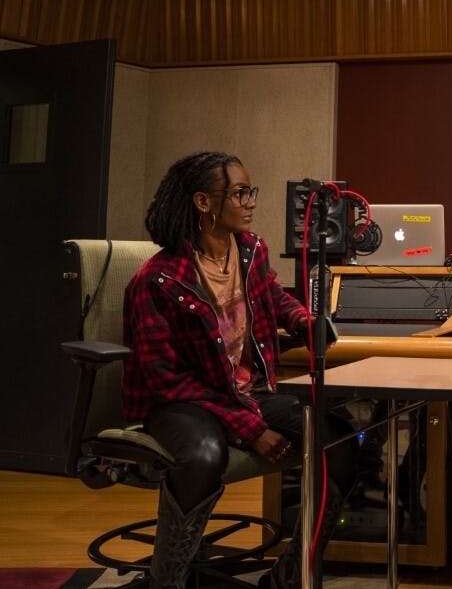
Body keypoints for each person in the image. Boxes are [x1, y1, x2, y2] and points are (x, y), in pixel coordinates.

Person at [123, 151, 357, 589]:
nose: (251, 201)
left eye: (251, 192)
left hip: (245, 394)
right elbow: (166, 381)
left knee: (339, 440)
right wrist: (249, 429)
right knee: (203, 456)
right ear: (203, 202)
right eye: (239, 193)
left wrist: (303, 321)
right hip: (182, 402)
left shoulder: (250, 251)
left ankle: (288, 578)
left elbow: (274, 297)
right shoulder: (157, 281)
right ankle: (166, 580)